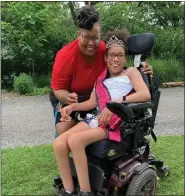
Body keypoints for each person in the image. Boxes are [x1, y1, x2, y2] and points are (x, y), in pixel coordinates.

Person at [53, 28, 151, 196]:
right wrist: (72, 107)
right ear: (105, 58)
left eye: (120, 55)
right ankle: (69, 190)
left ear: (125, 58)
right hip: (97, 118)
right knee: (59, 143)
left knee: (75, 141)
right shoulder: (101, 78)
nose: (115, 59)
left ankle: (85, 191)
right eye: (111, 55)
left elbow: (145, 94)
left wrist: (115, 104)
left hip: (117, 121)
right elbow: (92, 102)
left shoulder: (131, 72)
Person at [51, 5, 153, 136]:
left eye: (95, 38)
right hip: (73, 97)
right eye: (86, 38)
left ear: (100, 36)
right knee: (64, 130)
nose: (91, 43)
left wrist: (143, 71)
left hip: (100, 97)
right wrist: (68, 97)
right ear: (78, 35)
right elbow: (58, 89)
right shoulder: (65, 56)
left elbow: (120, 70)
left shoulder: (105, 50)